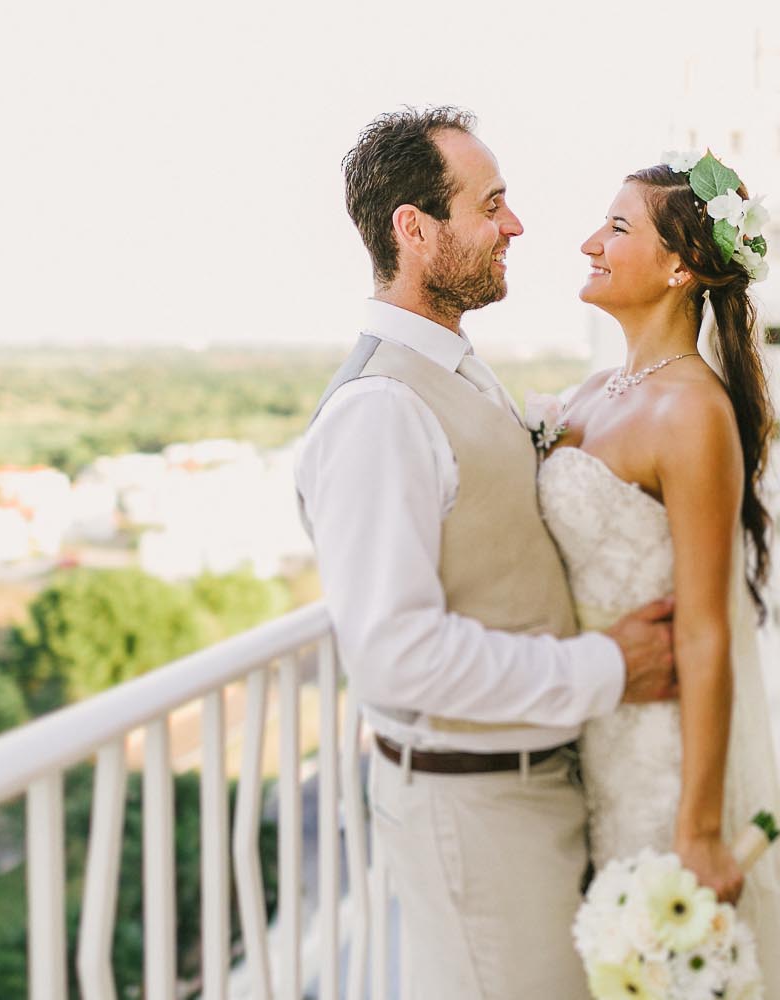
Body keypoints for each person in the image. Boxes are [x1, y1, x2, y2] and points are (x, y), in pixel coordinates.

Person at [294, 107, 679, 1000]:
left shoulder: (455, 369)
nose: (516, 225)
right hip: (474, 811)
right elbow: (395, 659)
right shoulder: (378, 412)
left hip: (527, 792)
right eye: (491, 204)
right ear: (415, 229)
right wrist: (607, 667)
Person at [537, 153, 780, 995]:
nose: (589, 243)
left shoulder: (690, 411)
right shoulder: (585, 395)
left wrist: (699, 828)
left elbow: (707, 625)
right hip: (574, 725)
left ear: (681, 265)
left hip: (653, 755)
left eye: (617, 227)